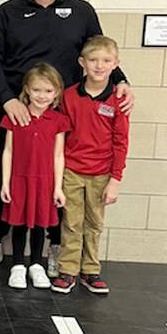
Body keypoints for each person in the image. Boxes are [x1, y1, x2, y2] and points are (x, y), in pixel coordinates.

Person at [0, 0, 134, 276]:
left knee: (59, 179)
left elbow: (98, 53)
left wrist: (122, 81)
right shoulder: (9, 11)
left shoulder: (81, 11)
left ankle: (56, 246)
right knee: (5, 178)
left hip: (64, 116)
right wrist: (8, 99)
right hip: (17, 110)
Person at [52, 36, 129, 295]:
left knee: (94, 224)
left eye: (106, 61)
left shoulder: (119, 100)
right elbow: (60, 137)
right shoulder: (69, 96)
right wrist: (58, 175)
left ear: (115, 64)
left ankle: (90, 270)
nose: (99, 66)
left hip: (102, 174)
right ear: (82, 63)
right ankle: (68, 270)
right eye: (93, 60)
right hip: (72, 171)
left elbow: (121, 142)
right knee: (71, 223)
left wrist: (115, 180)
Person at [0, 63, 69, 290]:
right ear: (27, 89)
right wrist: (5, 182)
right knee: (19, 223)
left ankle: (36, 265)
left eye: (48, 91)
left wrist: (57, 187)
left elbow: (59, 155)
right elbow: (8, 151)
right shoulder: (15, 117)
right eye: (37, 90)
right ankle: (18, 265)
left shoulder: (58, 120)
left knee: (40, 223)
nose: (42, 96)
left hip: (45, 181)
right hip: (20, 179)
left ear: (57, 92)